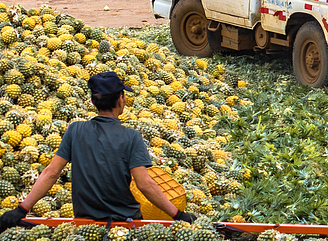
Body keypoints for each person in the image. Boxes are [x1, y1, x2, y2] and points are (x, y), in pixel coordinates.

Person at [0, 72, 195, 229]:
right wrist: (178, 214)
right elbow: (144, 184)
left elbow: (51, 173)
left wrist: (22, 209)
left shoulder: (74, 130)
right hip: (125, 223)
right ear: (120, 100)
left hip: (84, 224)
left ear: (93, 102)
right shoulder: (131, 137)